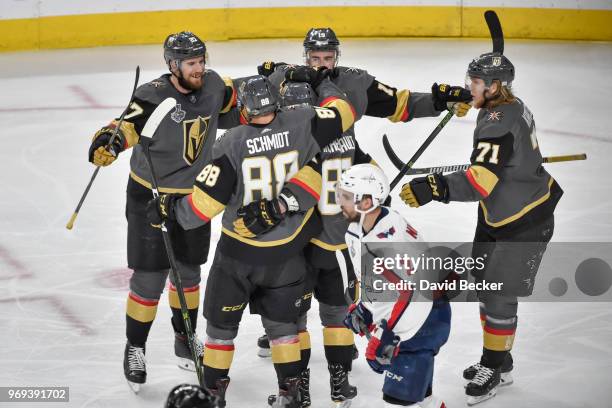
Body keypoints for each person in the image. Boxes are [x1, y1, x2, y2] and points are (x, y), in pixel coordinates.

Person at [255, 27, 470, 406]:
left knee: (338, 279)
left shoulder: (353, 83)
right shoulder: (283, 78)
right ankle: (289, 331)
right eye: (315, 58)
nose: (322, 64)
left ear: (337, 56)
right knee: (293, 281)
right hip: (296, 201)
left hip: (337, 204)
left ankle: (333, 365)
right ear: (305, 56)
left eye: (328, 57)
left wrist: (438, 101)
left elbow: (400, 104)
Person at [146, 74, 355, 407]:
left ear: (244, 108)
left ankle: (214, 392)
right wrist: (323, 84)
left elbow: (204, 207)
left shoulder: (232, 142)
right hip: (288, 254)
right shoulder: (304, 121)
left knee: (220, 329)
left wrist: (168, 208)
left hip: (238, 257)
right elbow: (344, 111)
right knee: (284, 327)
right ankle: (292, 391)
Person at [399, 47, 563, 405]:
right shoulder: (506, 106)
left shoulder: (496, 121)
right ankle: (499, 356)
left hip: (523, 220)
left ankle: (495, 366)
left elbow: (479, 183)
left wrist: (435, 187)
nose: (468, 87)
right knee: (487, 285)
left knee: (498, 294)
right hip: (498, 214)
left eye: (474, 82)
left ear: (494, 86)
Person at [87, 31, 239, 392]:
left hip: (193, 198)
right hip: (149, 196)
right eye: (191, 63)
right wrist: (107, 141)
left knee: (188, 275)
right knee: (149, 278)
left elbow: (238, 104)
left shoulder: (215, 84)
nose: (199, 68)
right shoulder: (153, 94)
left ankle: (184, 340)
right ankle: (135, 347)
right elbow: (125, 125)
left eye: (202, 61)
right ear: (173, 65)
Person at [338, 163, 450, 408]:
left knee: (399, 400)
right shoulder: (359, 227)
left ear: (366, 202)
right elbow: (374, 280)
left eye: (345, 196)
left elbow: (414, 292)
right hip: (406, 316)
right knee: (423, 397)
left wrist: (386, 337)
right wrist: (365, 308)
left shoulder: (388, 240)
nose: (339, 202)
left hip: (422, 321)